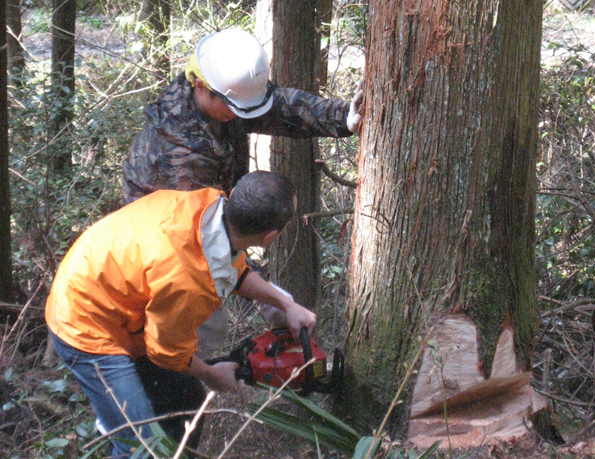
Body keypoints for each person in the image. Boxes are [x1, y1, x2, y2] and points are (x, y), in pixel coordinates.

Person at [45, 171, 316, 458]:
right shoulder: (187, 279)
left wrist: (287, 305)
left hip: (112, 293)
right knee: (138, 446)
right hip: (85, 324)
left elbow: (231, 269)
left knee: (185, 404)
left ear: (234, 195)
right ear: (270, 237)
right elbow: (165, 351)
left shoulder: (206, 209)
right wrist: (210, 374)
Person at [122, 28, 364, 203]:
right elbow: (204, 238)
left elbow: (284, 108)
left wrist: (343, 116)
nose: (238, 114)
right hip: (162, 254)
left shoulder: (221, 96)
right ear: (200, 87)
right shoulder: (178, 154)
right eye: (235, 108)